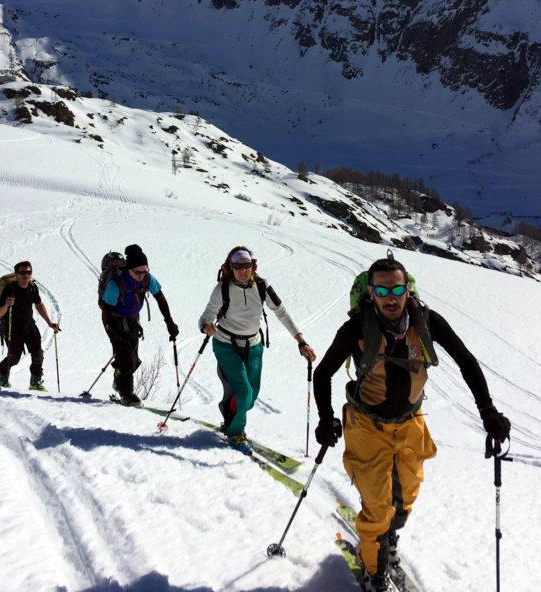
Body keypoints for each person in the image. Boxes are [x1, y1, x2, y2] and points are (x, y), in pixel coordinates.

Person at [313, 256, 511, 592]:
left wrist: (488, 411)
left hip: (410, 424)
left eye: (397, 288)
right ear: (370, 294)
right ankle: (374, 573)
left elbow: (465, 360)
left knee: (403, 502)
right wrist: (325, 418)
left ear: (408, 290)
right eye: (381, 290)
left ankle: (389, 542)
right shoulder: (356, 328)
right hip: (367, 426)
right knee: (378, 507)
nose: (391, 297)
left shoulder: (428, 322)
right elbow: (323, 373)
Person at [198, 246, 316, 454]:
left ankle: (229, 413)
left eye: (247, 266)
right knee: (244, 392)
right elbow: (206, 316)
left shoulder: (262, 285)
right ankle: (235, 432)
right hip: (226, 345)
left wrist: (301, 341)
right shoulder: (222, 289)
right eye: (238, 266)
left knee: (251, 398)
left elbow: (281, 311)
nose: (243, 270)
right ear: (230, 267)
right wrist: (206, 325)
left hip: (254, 345)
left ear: (254, 266)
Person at [99, 244, 179, 407]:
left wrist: (169, 322)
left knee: (134, 361)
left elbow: (160, 299)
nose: (142, 275)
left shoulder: (148, 279)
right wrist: (116, 333)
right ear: (129, 269)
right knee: (125, 357)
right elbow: (106, 311)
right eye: (138, 272)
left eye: (145, 271)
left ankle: (119, 377)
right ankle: (126, 394)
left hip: (132, 318)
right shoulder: (116, 283)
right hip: (112, 317)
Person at [0, 261, 60, 391]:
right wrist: (7, 305)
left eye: (28, 272)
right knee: (14, 357)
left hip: (29, 325)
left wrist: (49, 323)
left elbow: (39, 304)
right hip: (12, 327)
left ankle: (35, 382)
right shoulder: (10, 289)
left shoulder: (32, 287)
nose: (26, 276)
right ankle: (1, 374)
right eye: (23, 273)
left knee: (38, 354)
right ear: (16, 274)